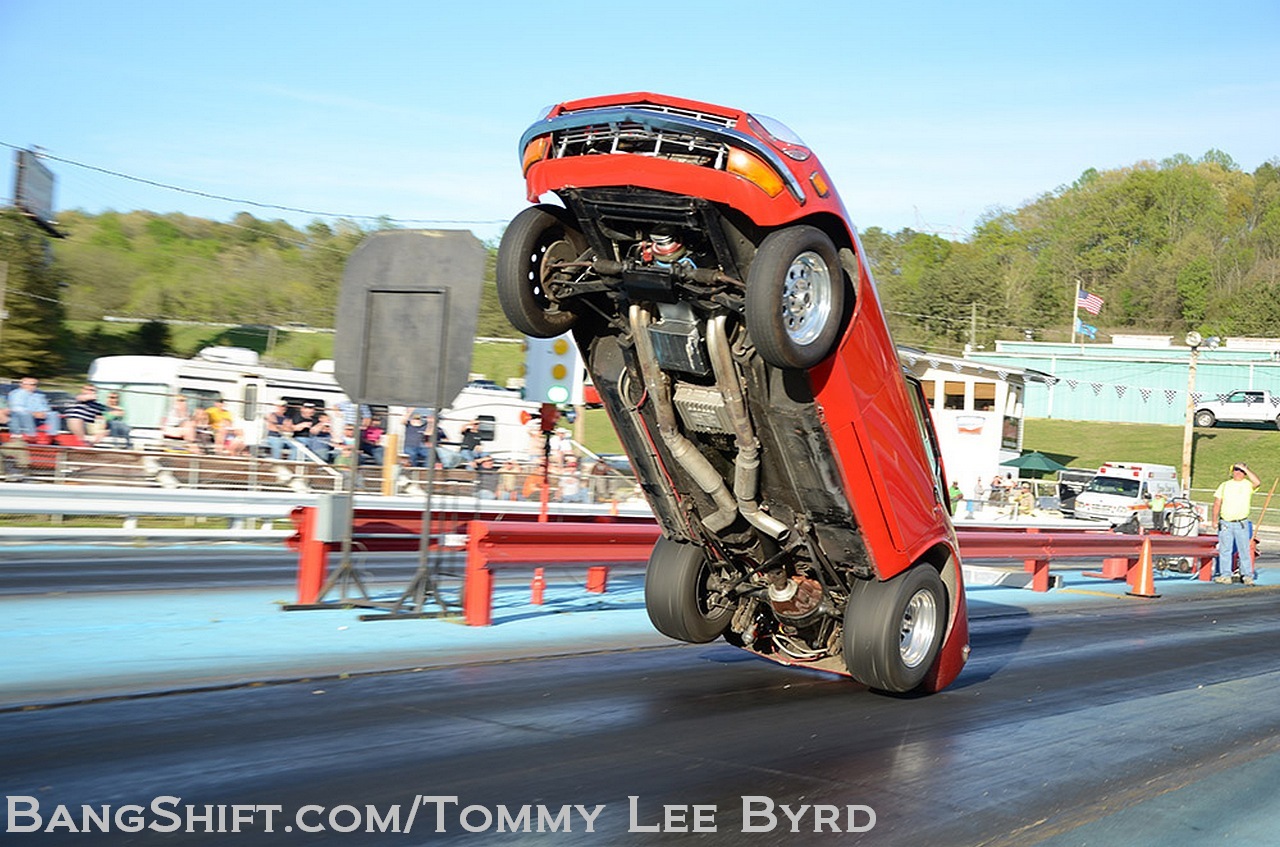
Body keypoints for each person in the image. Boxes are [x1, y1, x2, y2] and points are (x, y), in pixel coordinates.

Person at [1211, 462, 1261, 585]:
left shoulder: (1247, 485)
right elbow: (1217, 502)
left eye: (1241, 470)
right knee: (1225, 550)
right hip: (1226, 522)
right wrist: (1214, 519)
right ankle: (1225, 575)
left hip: (1241, 523)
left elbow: (1257, 482)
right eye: (1236, 470)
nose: (1238, 472)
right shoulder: (1224, 485)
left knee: (1244, 550)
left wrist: (1246, 469)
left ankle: (1247, 575)